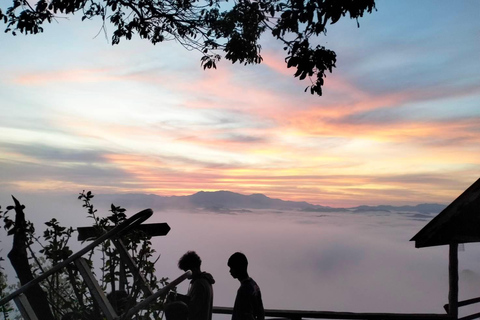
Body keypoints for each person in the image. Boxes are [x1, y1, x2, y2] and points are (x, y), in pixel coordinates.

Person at [177, 251, 215, 320]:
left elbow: (192, 309)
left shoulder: (199, 284)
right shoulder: (205, 281)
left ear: (192, 269)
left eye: (186, 270)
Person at [227, 252, 264, 320]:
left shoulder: (244, 290)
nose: (230, 271)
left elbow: (246, 314)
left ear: (238, 268)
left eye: (232, 268)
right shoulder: (254, 285)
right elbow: (260, 310)